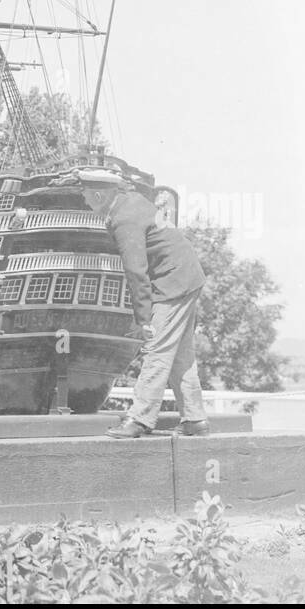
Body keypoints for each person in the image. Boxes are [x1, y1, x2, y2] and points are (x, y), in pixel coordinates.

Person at [79, 171, 209, 439]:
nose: (84, 199)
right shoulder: (132, 201)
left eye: (86, 195)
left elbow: (136, 272)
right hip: (186, 276)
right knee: (180, 354)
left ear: (100, 195)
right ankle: (195, 419)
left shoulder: (124, 219)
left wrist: (144, 319)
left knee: (157, 349)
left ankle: (140, 420)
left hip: (173, 281)